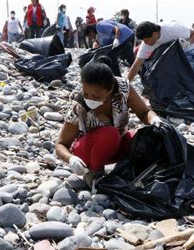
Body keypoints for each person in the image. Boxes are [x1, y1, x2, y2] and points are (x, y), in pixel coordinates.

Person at [55, 57, 162, 186]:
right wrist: (70, 159)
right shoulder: (79, 106)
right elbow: (61, 144)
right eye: (86, 93)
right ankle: (95, 175)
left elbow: (144, 113)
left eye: (96, 96)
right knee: (110, 133)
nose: (89, 99)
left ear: (110, 90)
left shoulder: (123, 89)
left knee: (142, 137)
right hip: (86, 153)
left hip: (115, 147)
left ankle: (130, 174)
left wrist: (155, 120)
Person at [127, 21, 194, 81]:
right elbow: (136, 65)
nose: (146, 43)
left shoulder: (172, 29)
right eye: (144, 41)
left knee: (187, 73)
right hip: (176, 49)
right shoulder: (146, 43)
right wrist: (126, 83)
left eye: (147, 40)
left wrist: (188, 43)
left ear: (154, 34)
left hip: (193, 45)